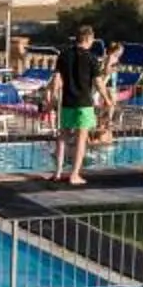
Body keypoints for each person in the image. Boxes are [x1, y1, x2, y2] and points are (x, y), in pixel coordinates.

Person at [55, 24, 109, 185]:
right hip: (84, 103)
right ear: (87, 38)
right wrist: (107, 99)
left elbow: (57, 79)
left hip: (67, 101)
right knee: (81, 139)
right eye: (92, 39)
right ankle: (74, 175)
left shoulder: (64, 55)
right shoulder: (91, 58)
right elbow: (98, 82)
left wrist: (51, 99)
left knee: (62, 137)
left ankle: (58, 173)